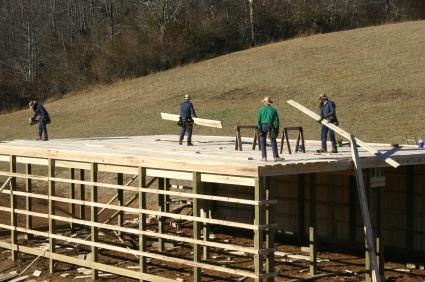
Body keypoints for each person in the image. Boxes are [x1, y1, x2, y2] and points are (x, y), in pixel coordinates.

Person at [256, 96, 284, 162]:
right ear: (270, 103)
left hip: (263, 125)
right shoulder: (273, 109)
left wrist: (258, 127)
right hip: (271, 125)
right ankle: (276, 156)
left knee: (262, 141)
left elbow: (258, 120)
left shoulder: (261, 109)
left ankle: (264, 157)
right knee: (273, 140)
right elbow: (277, 120)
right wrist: (276, 127)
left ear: (264, 102)